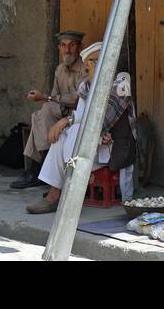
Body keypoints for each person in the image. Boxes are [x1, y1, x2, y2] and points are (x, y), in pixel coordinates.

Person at [26, 41, 137, 215]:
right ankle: (54, 195)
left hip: (113, 147)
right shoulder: (86, 85)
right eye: (95, 61)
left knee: (74, 130)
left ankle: (70, 193)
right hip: (94, 144)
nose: (102, 64)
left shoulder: (122, 80)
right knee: (63, 136)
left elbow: (100, 121)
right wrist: (68, 123)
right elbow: (84, 118)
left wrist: (66, 120)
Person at [10, 30, 86, 189]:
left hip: (80, 115)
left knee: (44, 110)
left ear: (80, 48)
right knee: (40, 114)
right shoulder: (59, 69)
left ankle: (38, 169)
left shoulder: (85, 69)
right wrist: (48, 99)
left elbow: (77, 99)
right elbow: (54, 98)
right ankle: (39, 169)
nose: (67, 50)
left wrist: (45, 97)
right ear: (59, 48)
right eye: (63, 46)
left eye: (72, 45)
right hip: (62, 112)